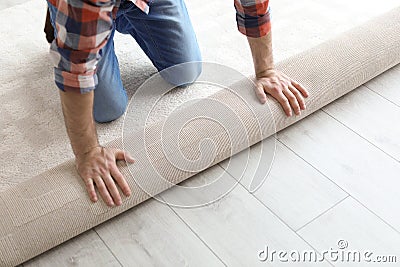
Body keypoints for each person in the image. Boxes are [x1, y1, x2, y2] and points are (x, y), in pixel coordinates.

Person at [45, 0, 309, 207]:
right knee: (107, 109)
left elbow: (253, 2)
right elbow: (75, 71)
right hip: (81, 7)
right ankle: (63, 21)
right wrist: (87, 153)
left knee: (186, 71)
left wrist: (266, 72)